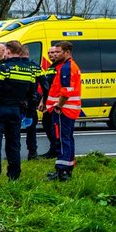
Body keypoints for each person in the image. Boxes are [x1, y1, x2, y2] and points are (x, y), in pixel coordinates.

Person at [0, 40, 40, 188]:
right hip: (16, 112)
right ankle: (14, 177)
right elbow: (33, 95)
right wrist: (29, 114)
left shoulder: (4, 68)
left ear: (8, 51)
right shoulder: (29, 71)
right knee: (14, 145)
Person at [45, 40, 82, 182]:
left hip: (64, 110)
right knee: (67, 138)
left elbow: (66, 91)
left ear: (66, 52)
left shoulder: (66, 67)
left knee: (62, 140)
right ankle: (66, 168)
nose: (55, 54)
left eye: (59, 52)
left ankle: (62, 172)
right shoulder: (68, 66)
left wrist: (58, 107)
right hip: (69, 109)